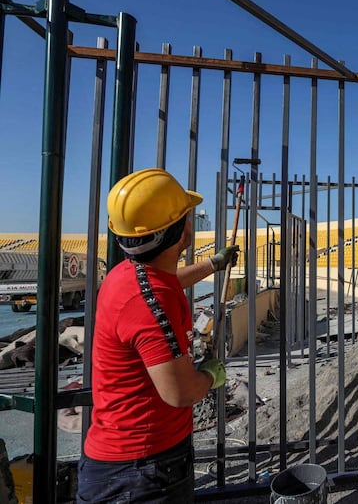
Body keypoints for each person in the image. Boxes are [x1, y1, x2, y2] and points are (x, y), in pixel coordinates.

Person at [77, 168, 239, 503]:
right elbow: (180, 393)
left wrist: (213, 264)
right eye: (186, 216)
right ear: (179, 231)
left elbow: (165, 284)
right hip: (141, 471)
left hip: (123, 463)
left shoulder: (128, 276)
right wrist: (210, 376)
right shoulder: (150, 300)